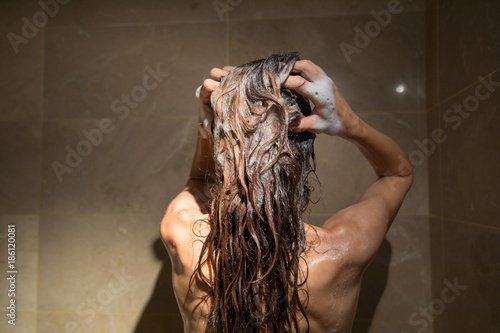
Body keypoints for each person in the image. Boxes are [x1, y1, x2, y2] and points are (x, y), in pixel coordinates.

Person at [160, 52, 413, 333]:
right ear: (300, 157)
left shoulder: (183, 234)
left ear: (225, 154)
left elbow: (197, 179)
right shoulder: (340, 252)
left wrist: (209, 125)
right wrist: (349, 124)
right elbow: (397, 174)